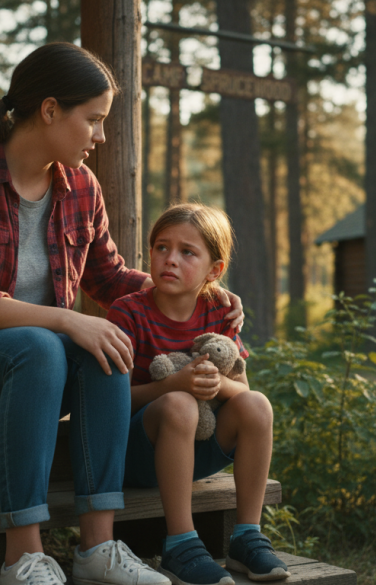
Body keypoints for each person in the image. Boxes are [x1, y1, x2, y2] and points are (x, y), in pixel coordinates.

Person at [0, 43, 242, 585]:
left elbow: (110, 278)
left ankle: (98, 547)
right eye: (93, 120)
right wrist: (68, 319)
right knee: (48, 340)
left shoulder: (80, 188)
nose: (100, 136)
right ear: (50, 110)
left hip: (33, 370)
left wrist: (198, 291)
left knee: (99, 338)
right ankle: (22, 556)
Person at [107, 204, 291, 585]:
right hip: (134, 454)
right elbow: (108, 402)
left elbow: (241, 390)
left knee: (256, 404)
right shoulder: (128, 313)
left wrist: (216, 383)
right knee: (178, 403)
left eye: (187, 252)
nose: (170, 259)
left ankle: (246, 536)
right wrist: (170, 386)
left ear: (215, 270)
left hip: (197, 450)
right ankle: (180, 544)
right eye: (161, 247)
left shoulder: (218, 311)